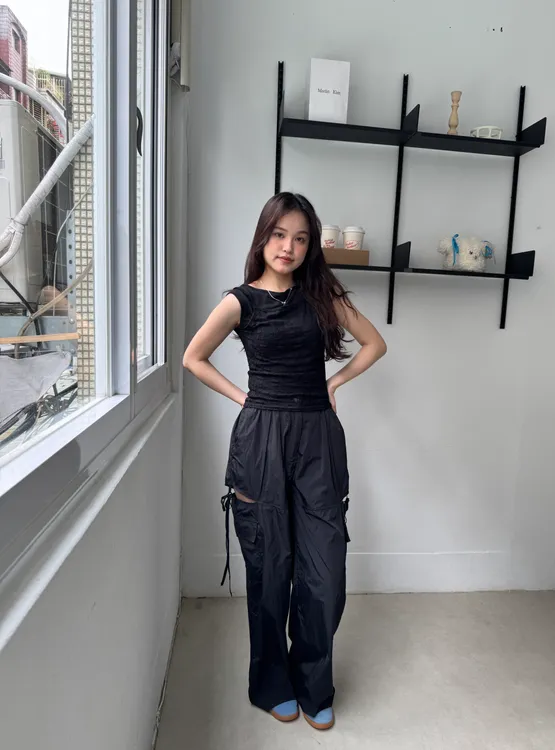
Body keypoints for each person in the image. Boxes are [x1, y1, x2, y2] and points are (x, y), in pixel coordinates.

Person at [183, 192, 387, 731]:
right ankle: (272, 684)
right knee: (269, 571)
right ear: (263, 237)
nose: (288, 247)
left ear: (310, 245)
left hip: (319, 440)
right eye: (279, 235)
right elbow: (193, 358)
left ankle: (314, 684)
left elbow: (374, 344)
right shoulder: (240, 302)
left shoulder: (323, 297)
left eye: (300, 238)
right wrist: (245, 399)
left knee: (325, 574)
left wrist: (334, 383)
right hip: (261, 443)